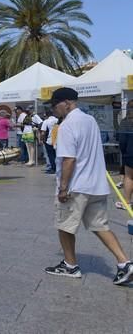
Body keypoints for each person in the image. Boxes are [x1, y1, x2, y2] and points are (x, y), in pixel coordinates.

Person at [44, 88, 133, 285]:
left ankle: (70, 265)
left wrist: (63, 188)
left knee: (64, 225)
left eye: (55, 105)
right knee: (100, 225)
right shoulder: (89, 120)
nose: (53, 109)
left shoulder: (67, 125)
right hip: (96, 184)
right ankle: (124, 263)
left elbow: (69, 159)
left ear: (67, 102)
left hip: (77, 185)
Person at [115, 100, 133, 210]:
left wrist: (124, 152)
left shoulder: (125, 122)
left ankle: (127, 202)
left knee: (129, 177)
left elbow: (122, 140)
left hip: (130, 152)